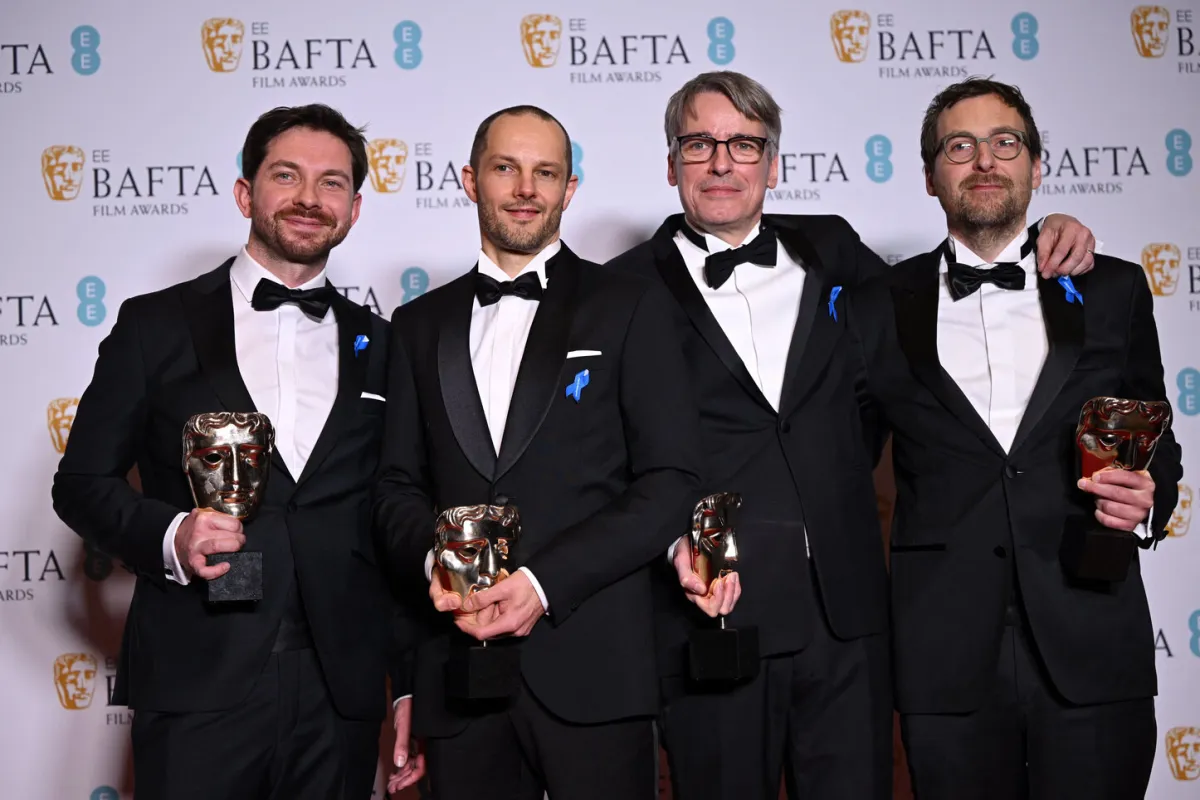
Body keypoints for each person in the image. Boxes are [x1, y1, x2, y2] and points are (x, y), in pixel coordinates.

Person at [605, 70, 1098, 799]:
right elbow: (608, 458)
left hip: (849, 621)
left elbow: (946, 302)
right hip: (709, 618)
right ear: (670, 161)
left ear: (773, 163)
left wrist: (1044, 235)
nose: (721, 162)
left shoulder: (831, 249)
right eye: (700, 143)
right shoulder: (618, 291)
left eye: (744, 144)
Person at [52, 103, 414, 799]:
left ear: (356, 209)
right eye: (287, 176)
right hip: (198, 680)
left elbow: (392, 516)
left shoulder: (386, 345)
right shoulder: (153, 326)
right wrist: (170, 533)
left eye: (332, 183)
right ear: (246, 192)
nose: (310, 199)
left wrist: (406, 688)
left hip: (340, 692)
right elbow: (81, 482)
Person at [853, 76, 1182, 799]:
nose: (985, 162)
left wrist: (1150, 500)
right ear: (930, 177)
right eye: (960, 147)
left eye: (1006, 144)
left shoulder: (1113, 288)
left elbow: (1158, 438)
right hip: (945, 657)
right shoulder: (876, 305)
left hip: (1093, 639)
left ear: (1036, 166)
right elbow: (833, 460)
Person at [372, 105, 701, 799]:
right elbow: (395, 487)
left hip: (595, 668)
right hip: (457, 676)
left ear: (569, 188)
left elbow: (670, 480)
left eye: (545, 172)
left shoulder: (629, 306)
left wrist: (543, 584)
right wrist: (439, 562)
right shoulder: (416, 325)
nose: (526, 187)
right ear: (470, 180)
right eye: (505, 168)